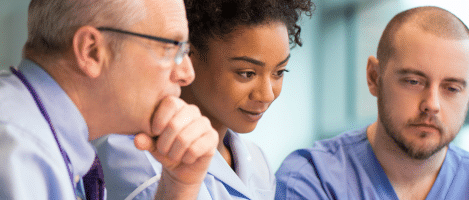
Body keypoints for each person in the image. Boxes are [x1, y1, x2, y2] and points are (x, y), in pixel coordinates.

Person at [0, 0, 219, 199]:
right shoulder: (8, 152)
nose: (187, 73)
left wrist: (179, 187)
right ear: (92, 51)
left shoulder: (30, 137)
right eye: (171, 48)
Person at [275, 6, 469, 200]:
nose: (431, 104)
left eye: (452, 88)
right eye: (413, 81)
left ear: (468, 94)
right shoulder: (311, 178)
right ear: (374, 77)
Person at [91, 0, 313, 199]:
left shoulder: (256, 160)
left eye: (280, 72)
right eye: (246, 73)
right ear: (188, 55)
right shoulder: (135, 156)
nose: (267, 95)